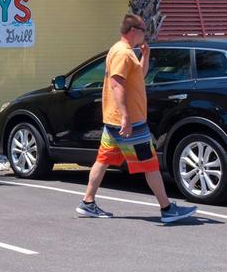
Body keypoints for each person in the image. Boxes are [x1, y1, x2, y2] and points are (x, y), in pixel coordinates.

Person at [76, 13, 198, 223]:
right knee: (150, 164)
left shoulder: (123, 51)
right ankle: (167, 209)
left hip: (114, 122)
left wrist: (146, 56)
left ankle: (87, 203)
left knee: (102, 160)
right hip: (130, 122)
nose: (145, 34)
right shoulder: (123, 53)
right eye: (143, 30)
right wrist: (126, 117)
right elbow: (117, 84)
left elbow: (138, 76)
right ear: (133, 31)